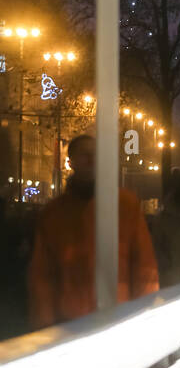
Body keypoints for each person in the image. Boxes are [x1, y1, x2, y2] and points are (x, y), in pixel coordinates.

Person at [28, 134, 159, 330]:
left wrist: (144, 318)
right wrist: (45, 327)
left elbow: (144, 266)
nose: (91, 159)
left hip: (119, 319)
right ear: (70, 162)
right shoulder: (54, 213)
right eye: (84, 154)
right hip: (71, 323)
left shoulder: (126, 205)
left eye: (96, 154)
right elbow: (43, 275)